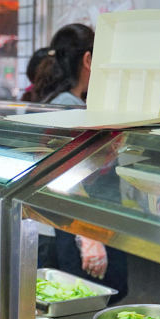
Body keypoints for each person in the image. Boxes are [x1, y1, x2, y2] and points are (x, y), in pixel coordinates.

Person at [32, 24, 128, 302]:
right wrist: (89, 237)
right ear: (88, 60)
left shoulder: (54, 102)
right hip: (62, 235)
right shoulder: (68, 108)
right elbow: (57, 176)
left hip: (52, 232)